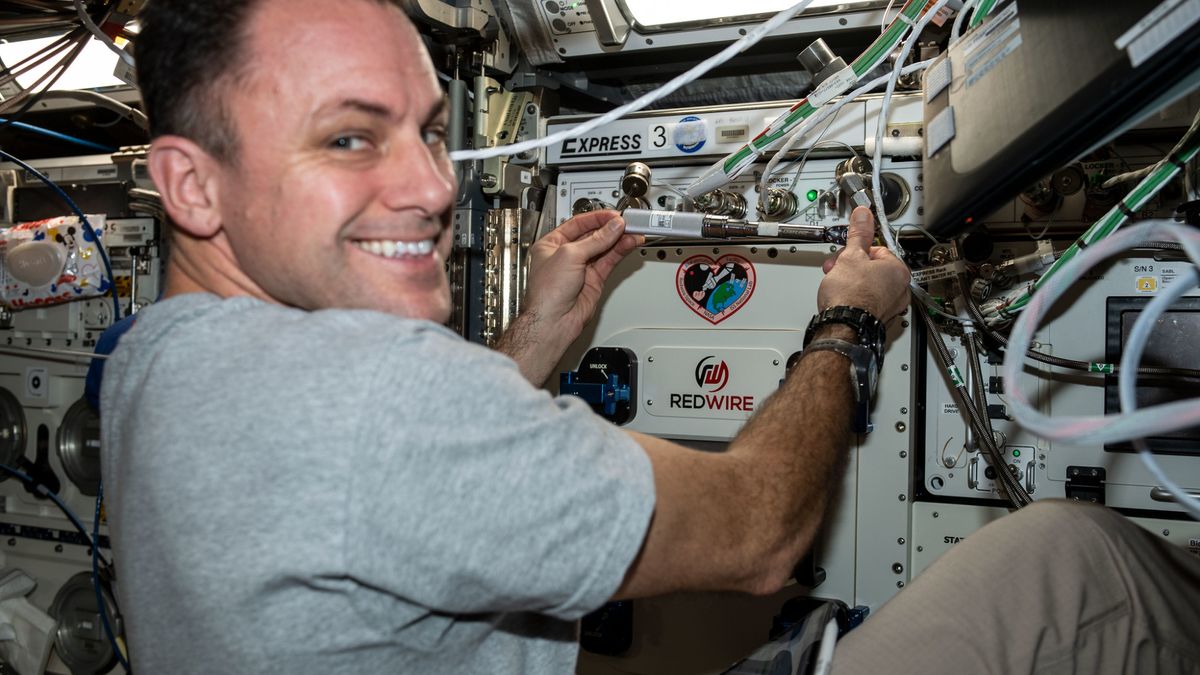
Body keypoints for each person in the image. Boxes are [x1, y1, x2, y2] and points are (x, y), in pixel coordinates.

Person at [101, 0, 1200, 673]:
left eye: (432, 132)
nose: (434, 187)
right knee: (1075, 563)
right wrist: (850, 322)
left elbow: (373, 489)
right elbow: (762, 531)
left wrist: (534, 343)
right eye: (351, 137)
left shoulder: (162, 359)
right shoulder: (375, 395)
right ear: (189, 183)